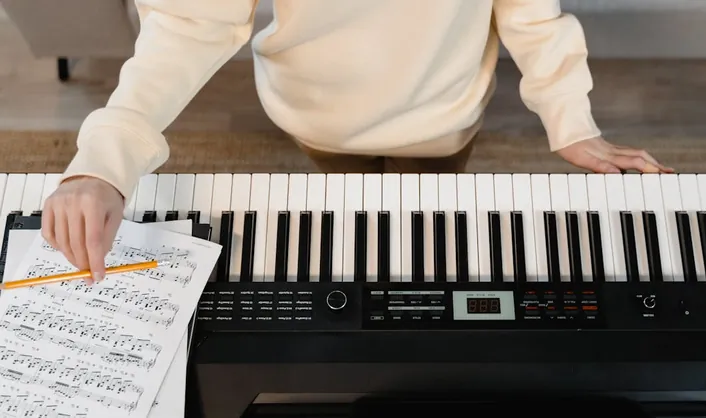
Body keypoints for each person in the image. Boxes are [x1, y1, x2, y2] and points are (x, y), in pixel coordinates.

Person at [42, 0, 672, 283]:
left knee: (427, 221)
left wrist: (572, 121)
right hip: (319, 115)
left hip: (445, 116)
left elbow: (531, 14)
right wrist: (104, 160)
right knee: (353, 210)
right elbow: (188, 25)